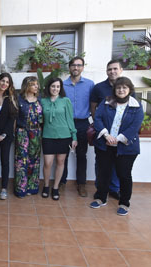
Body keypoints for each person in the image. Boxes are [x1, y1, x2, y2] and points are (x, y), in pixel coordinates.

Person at [90, 77, 143, 216]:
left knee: (124, 175)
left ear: (130, 90)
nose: (121, 90)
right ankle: (101, 198)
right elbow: (98, 118)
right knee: (103, 172)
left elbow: (135, 126)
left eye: (124, 88)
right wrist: (107, 136)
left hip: (126, 147)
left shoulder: (136, 105)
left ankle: (124, 203)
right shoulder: (107, 101)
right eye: (119, 88)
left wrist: (117, 139)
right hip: (105, 143)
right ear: (115, 90)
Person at [90, 60, 124, 199]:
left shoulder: (126, 87)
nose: (112, 71)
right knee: (101, 163)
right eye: (109, 69)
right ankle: (100, 189)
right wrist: (100, 127)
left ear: (121, 70)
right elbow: (93, 108)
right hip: (102, 133)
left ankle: (114, 189)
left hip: (120, 135)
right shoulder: (99, 88)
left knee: (117, 162)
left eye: (115, 69)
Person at [61, 57, 94, 197]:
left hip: (82, 123)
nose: (76, 68)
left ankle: (81, 184)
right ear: (69, 67)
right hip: (64, 123)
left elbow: (94, 104)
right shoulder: (62, 85)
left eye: (79, 65)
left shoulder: (90, 84)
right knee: (63, 155)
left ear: (82, 67)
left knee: (81, 154)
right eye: (73, 65)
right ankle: (61, 182)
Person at [41, 78, 77, 200]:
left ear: (60, 88)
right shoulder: (43, 101)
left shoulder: (65, 101)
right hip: (47, 136)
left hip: (64, 136)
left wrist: (74, 136)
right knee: (47, 163)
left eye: (57, 86)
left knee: (60, 162)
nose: (55, 89)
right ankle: (46, 186)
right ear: (48, 87)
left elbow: (70, 119)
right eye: (53, 86)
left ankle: (55, 187)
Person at [14, 76, 43, 198]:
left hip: (36, 132)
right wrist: (14, 133)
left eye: (37, 84)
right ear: (27, 86)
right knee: (21, 160)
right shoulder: (19, 99)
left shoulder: (40, 99)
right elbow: (15, 117)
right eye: (33, 84)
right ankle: (21, 188)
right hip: (22, 132)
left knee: (34, 160)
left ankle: (32, 187)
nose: (37, 87)